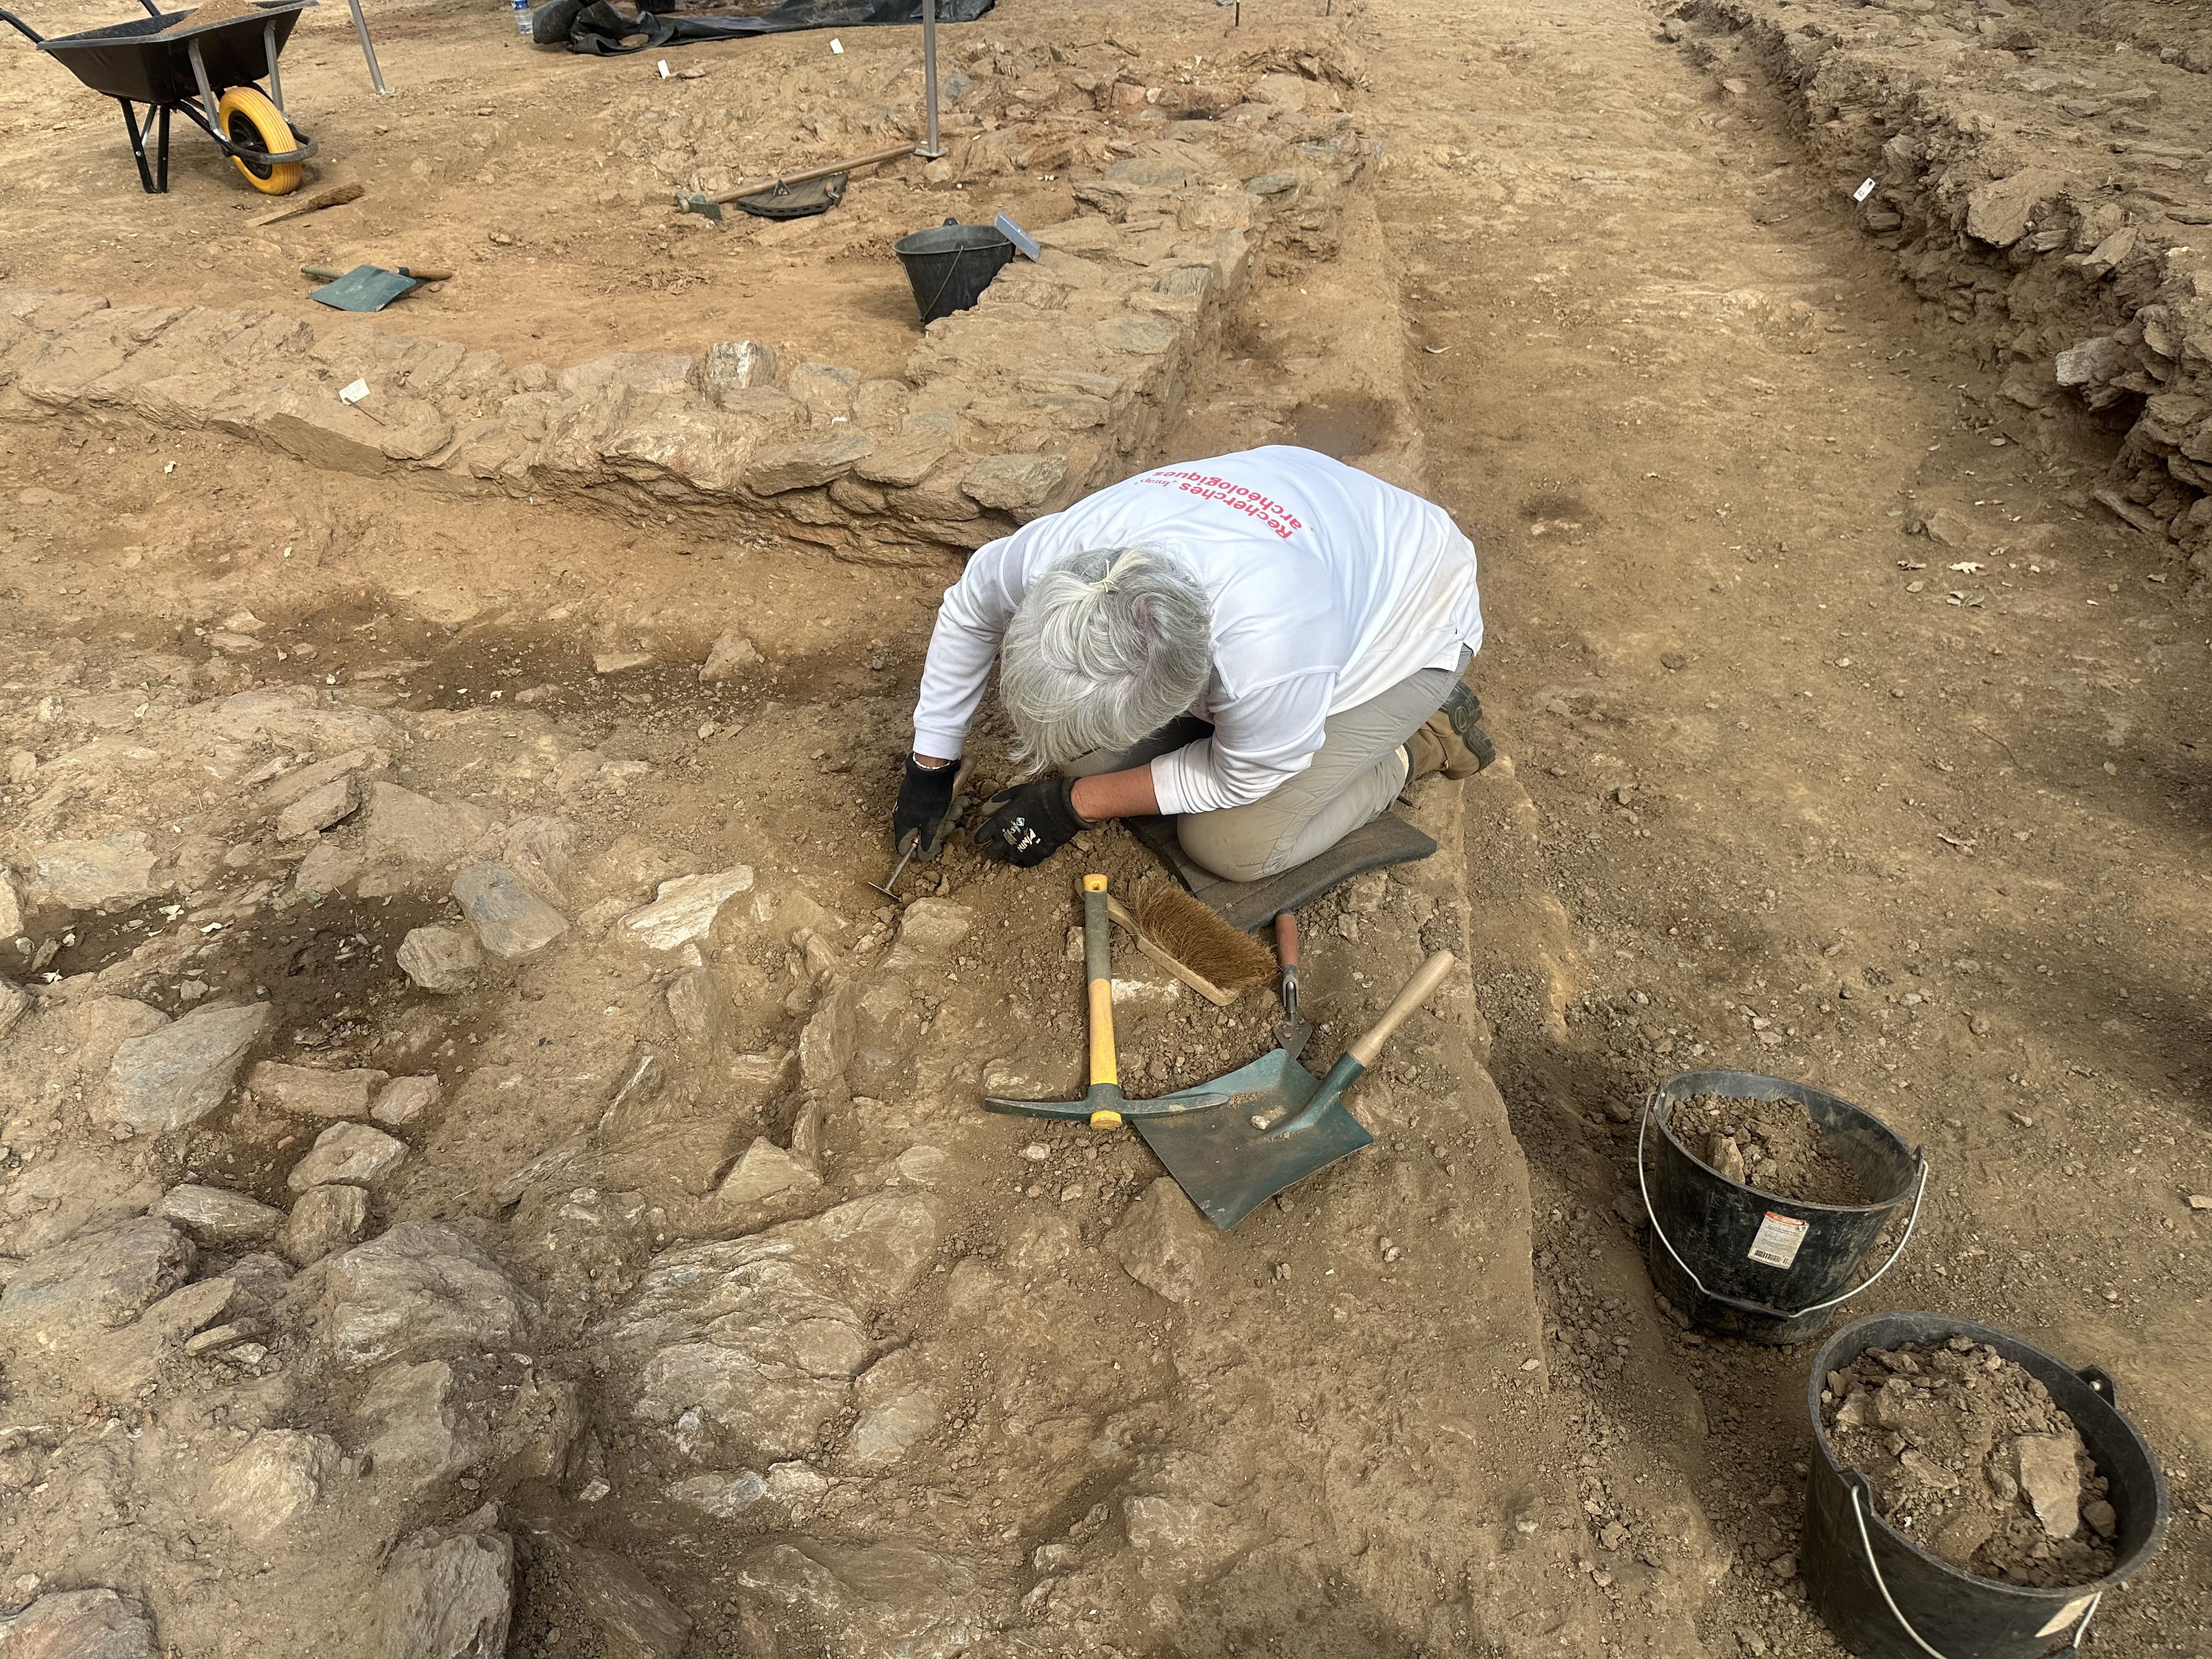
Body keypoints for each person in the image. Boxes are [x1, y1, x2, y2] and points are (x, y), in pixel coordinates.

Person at [893, 445, 1491, 880]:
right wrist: (931, 765)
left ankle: (1423, 742)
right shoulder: (1054, 558)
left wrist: (1073, 806)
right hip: (1311, 510)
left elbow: (1240, 777)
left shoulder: (1269, 651)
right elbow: (970, 610)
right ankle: (1230, 734)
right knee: (1088, 756)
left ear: (1184, 686)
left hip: (1413, 618)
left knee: (1232, 844)